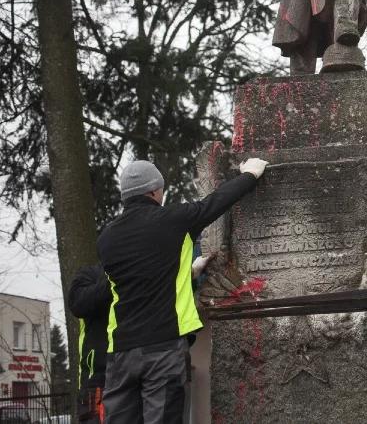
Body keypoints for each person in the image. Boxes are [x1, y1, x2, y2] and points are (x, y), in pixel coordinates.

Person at [97, 157, 268, 424]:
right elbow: (216, 202)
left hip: (120, 351)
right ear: (154, 191)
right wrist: (250, 175)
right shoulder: (173, 220)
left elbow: (137, 279)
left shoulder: (106, 238)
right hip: (162, 346)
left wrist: (189, 271)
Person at [68, 264, 111, 423]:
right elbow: (77, 304)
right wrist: (114, 281)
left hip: (130, 371)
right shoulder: (91, 273)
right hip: (97, 378)